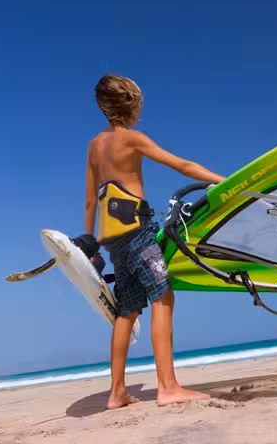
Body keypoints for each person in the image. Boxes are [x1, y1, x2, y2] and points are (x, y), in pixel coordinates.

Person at [79, 74, 225, 409]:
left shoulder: (94, 146)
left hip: (111, 237)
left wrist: (89, 241)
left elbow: (90, 200)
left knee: (126, 310)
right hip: (137, 230)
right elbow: (183, 165)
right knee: (162, 296)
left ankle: (116, 393)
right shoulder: (133, 139)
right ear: (132, 104)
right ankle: (168, 386)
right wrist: (224, 180)